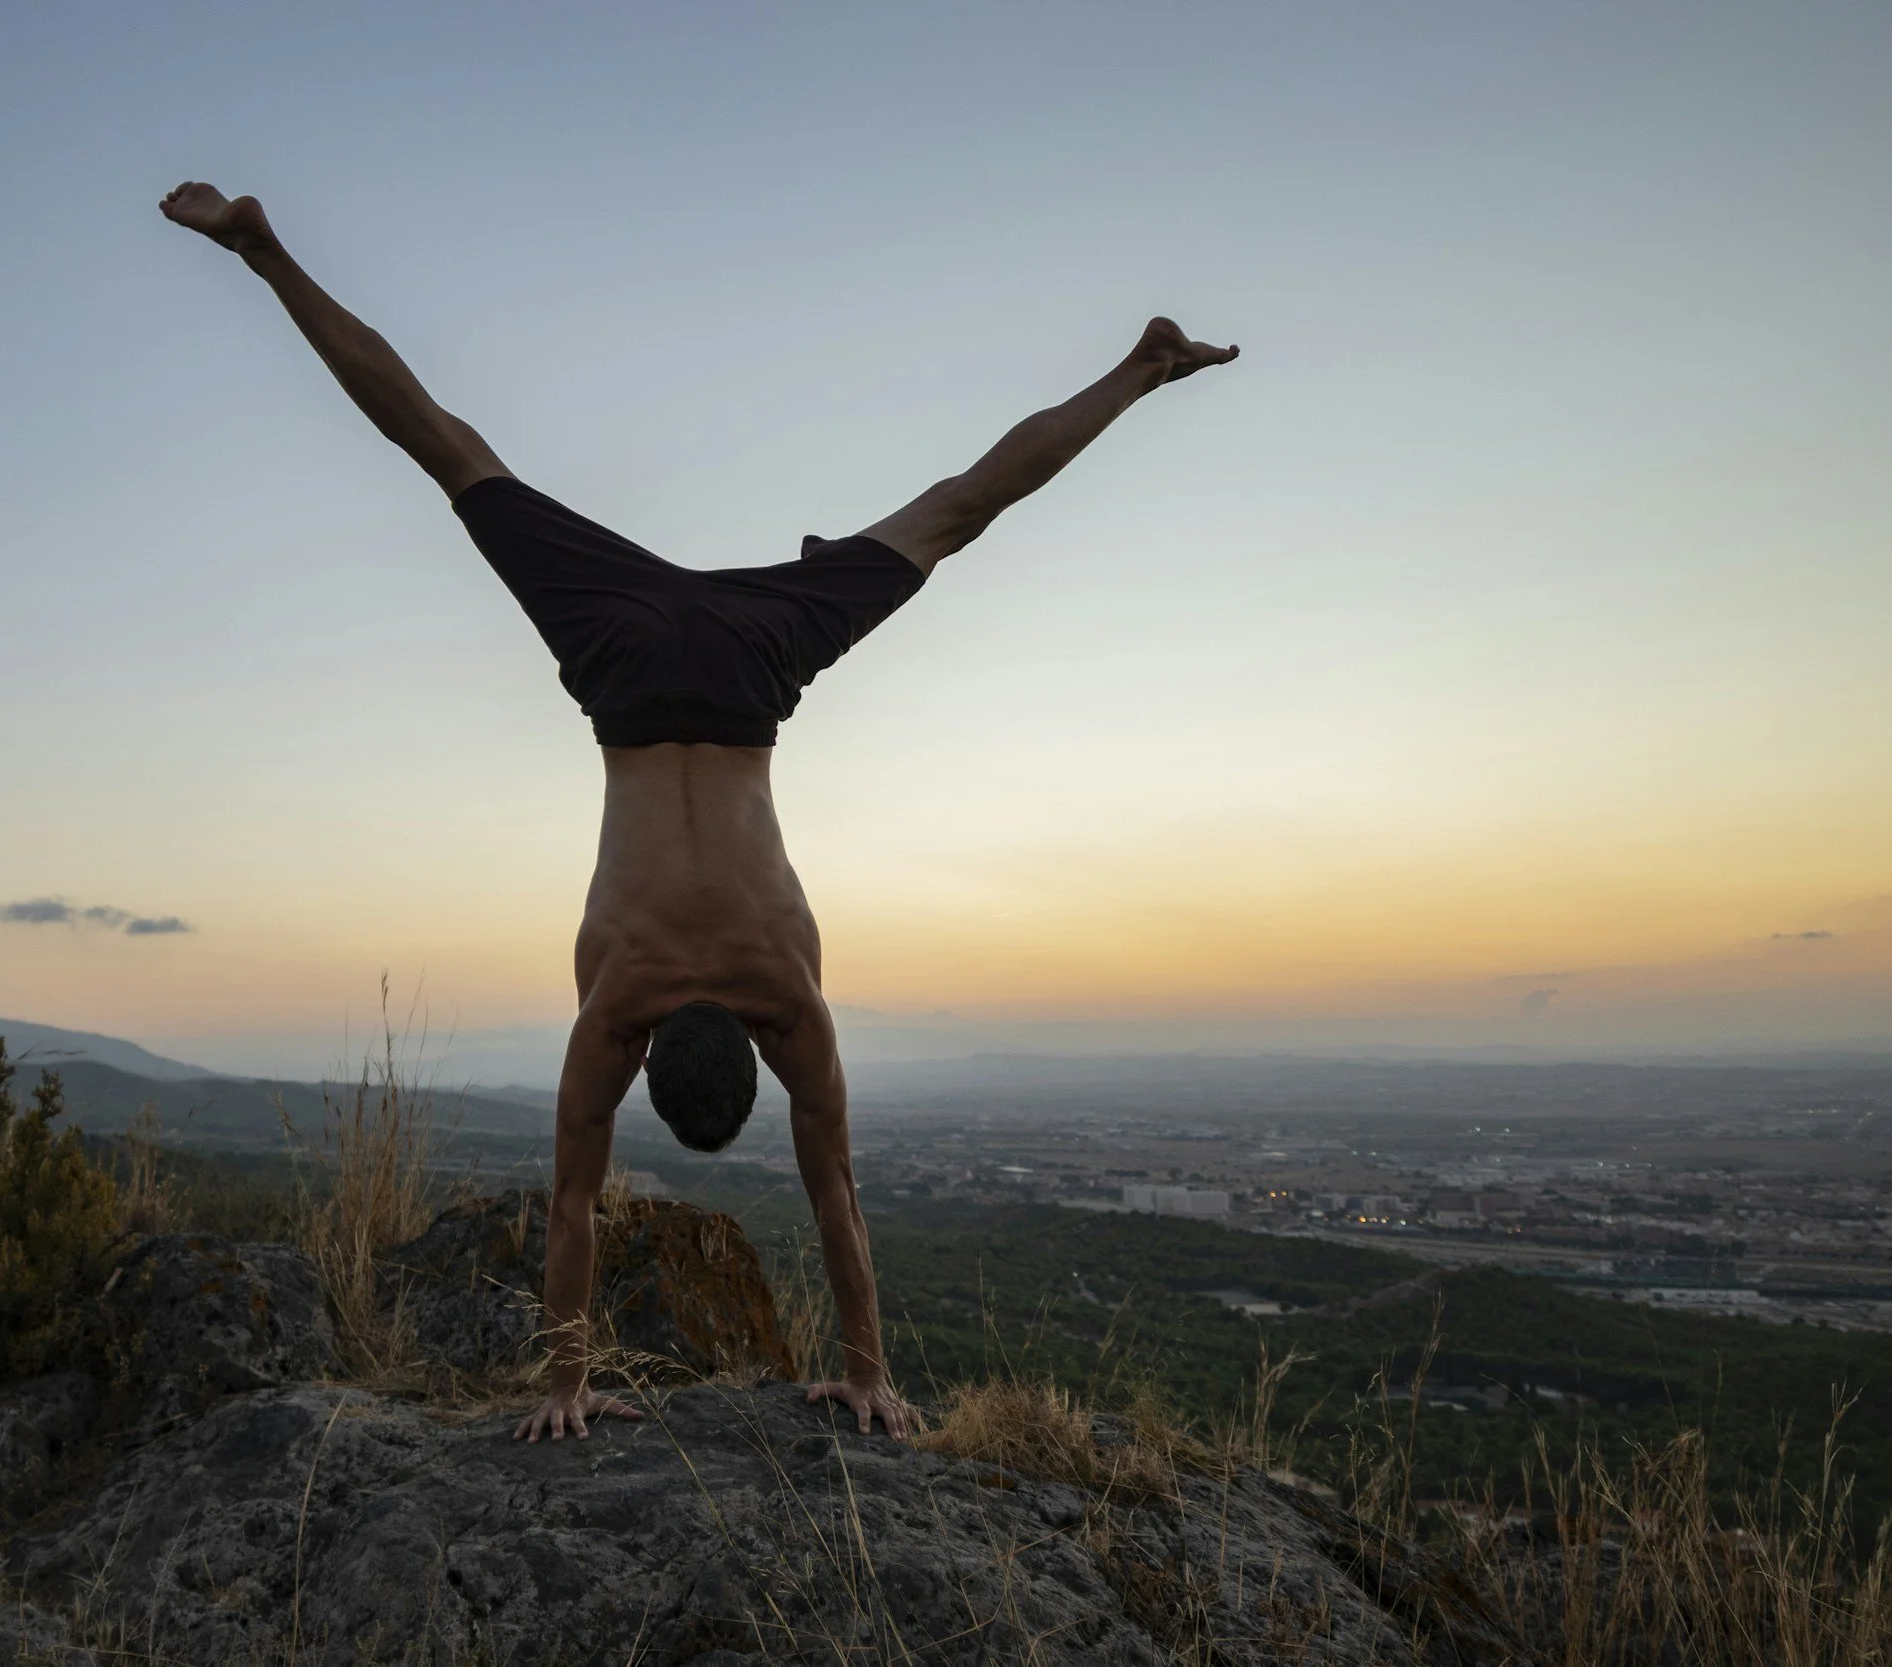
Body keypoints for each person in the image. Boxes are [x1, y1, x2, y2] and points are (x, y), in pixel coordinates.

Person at [161, 180, 1238, 1445]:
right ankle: (265, 253)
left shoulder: (784, 993)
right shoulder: (614, 1001)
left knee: (950, 514)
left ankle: (1139, 366)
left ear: (736, 1052)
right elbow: (586, 1205)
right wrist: (566, 1384)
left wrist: (864, 1366)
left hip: (744, 669)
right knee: (450, 453)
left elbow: (834, 1191)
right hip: (622, 665)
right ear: (643, 1061)